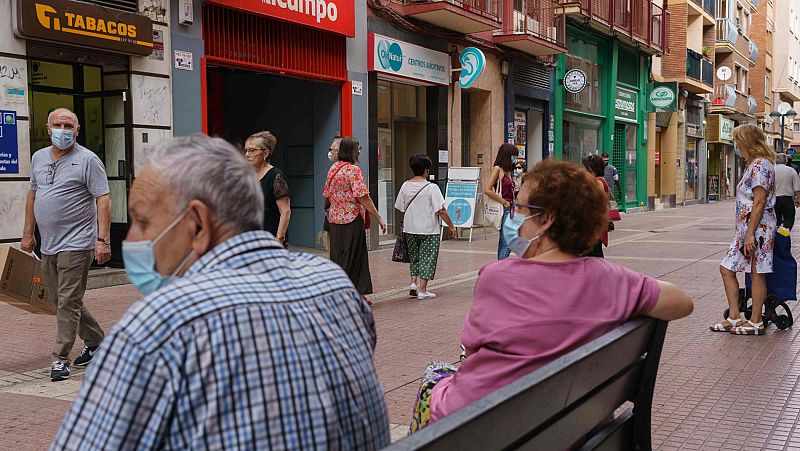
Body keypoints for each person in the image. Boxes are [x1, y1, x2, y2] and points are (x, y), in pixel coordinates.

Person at [51, 134, 390, 449]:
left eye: (142, 221)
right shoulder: (333, 284)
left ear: (197, 223)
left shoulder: (160, 325)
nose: (133, 241)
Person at [409, 159, 693, 431]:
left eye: (519, 207)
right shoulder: (611, 278)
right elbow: (682, 302)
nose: (513, 217)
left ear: (544, 220)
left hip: (486, 426)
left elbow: (470, 351)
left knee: (434, 375)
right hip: (571, 427)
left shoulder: (497, 277)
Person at [21, 108, 110, 382]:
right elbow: (33, 195)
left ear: (77, 129)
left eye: (68, 125)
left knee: (68, 300)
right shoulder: (38, 158)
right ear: (48, 129)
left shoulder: (88, 160)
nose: (63, 129)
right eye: (58, 125)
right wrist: (27, 234)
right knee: (62, 300)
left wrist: (102, 239)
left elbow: (103, 199)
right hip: (48, 243)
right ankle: (97, 343)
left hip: (78, 242)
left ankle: (60, 359)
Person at [713, 124, 777, 336]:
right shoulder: (753, 165)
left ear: (748, 141)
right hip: (746, 230)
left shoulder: (760, 165)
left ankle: (756, 321)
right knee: (727, 268)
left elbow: (759, 202)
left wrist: (750, 233)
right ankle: (734, 317)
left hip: (758, 229)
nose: (736, 144)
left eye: (738, 140)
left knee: (756, 272)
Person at [323, 137, 387, 303]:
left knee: (338, 256)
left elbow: (327, 194)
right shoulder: (353, 170)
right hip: (351, 219)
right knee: (355, 257)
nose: (359, 152)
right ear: (351, 151)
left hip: (334, 220)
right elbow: (362, 197)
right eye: (357, 149)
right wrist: (378, 216)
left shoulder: (333, 168)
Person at [395, 154, 456, 300]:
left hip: (410, 228)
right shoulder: (432, 188)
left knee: (414, 257)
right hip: (429, 230)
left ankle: (413, 284)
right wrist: (451, 226)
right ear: (426, 170)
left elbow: (400, 207)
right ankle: (422, 290)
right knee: (427, 258)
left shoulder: (405, 185)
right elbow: (440, 210)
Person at [244, 131, 291, 246]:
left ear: (265, 153)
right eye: (246, 150)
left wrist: (279, 239)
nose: (247, 154)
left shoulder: (276, 176)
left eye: (252, 150)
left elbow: (285, 211)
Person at [484, 143, 518, 260]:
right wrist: (504, 202)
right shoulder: (498, 170)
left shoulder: (507, 171)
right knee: (508, 243)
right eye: (514, 156)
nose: (515, 159)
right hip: (504, 208)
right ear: (507, 156)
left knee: (503, 242)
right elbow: (487, 189)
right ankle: (501, 268)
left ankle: (499, 266)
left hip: (510, 208)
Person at [583, 155, 610, 258]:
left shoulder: (598, 183)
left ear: (596, 170)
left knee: (594, 254)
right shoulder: (599, 181)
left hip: (594, 225)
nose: (586, 173)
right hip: (595, 225)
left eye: (589, 171)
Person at [774, 153, 800, 230]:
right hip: (787, 199)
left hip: (774, 199)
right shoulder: (791, 170)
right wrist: (798, 199)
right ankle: (785, 233)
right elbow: (797, 188)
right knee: (789, 218)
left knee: (776, 219)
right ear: (786, 161)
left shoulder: (771, 170)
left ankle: (776, 234)